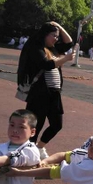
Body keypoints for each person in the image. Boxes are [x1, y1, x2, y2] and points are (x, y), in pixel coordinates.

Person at [17, 21, 75, 159]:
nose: (56, 38)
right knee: (36, 125)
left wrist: (59, 26)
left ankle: (39, 147)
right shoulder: (35, 47)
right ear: (44, 34)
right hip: (39, 93)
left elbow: (69, 43)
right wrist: (65, 59)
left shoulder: (53, 49)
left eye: (57, 36)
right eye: (53, 35)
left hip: (54, 93)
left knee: (57, 124)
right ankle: (28, 153)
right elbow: (46, 64)